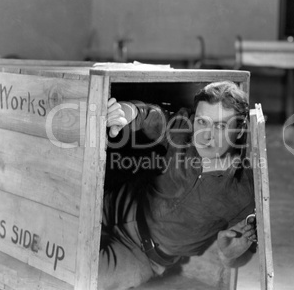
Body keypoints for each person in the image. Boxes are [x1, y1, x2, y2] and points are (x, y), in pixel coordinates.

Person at [98, 81, 256, 290]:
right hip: (113, 205)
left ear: (240, 129)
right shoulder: (184, 129)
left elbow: (243, 251)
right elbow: (152, 117)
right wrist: (128, 111)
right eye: (202, 122)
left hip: (140, 255)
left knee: (86, 277)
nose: (206, 135)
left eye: (220, 126)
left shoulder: (243, 193)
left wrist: (228, 255)